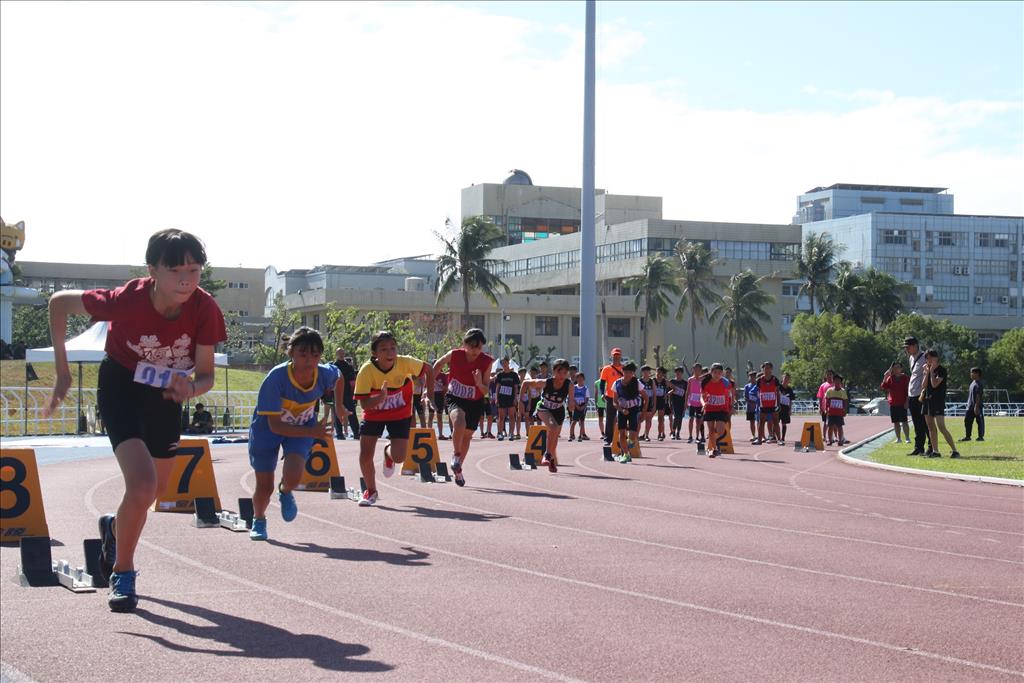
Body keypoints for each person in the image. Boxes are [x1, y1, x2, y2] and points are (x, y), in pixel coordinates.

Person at [44, 229, 226, 612]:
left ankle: (113, 528)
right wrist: (63, 372)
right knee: (142, 487)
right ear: (152, 270)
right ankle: (122, 572)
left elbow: (206, 375)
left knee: (153, 493)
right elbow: (59, 303)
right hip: (122, 386)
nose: (185, 280)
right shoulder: (128, 299)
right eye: (175, 269)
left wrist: (189, 390)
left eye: (194, 270)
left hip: (166, 396)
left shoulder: (205, 309)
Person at [248, 327, 344, 540]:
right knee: (264, 486)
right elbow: (275, 426)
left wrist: (339, 405)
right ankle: (259, 520)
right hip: (268, 428)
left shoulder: (324, 373)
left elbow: (339, 377)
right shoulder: (276, 378)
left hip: (302, 426)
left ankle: (285, 491)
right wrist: (312, 431)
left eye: (315, 355)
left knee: (293, 477)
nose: (309, 360)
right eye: (303, 354)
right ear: (291, 353)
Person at [353, 331, 433, 506]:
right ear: (374, 353)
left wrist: (429, 393)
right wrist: (379, 399)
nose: (390, 353)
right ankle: (370, 491)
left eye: (392, 348)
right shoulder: (366, 371)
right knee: (365, 454)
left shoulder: (404, 362)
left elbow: (428, 368)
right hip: (374, 413)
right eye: (383, 349)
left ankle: (388, 452)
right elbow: (364, 404)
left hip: (399, 412)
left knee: (399, 458)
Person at [433, 328, 493, 487]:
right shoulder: (455, 354)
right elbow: (438, 364)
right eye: (472, 347)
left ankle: (458, 469)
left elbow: (486, 390)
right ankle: (456, 455)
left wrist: (479, 383)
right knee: (459, 422)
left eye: (479, 348)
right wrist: (430, 384)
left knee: (467, 436)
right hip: (455, 397)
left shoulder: (486, 361)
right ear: (464, 344)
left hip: (475, 401)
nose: (475, 351)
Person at [520, 358, 571, 472]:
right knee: (552, 427)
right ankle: (547, 455)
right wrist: (521, 402)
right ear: (553, 372)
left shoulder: (569, 384)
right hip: (543, 408)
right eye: (559, 372)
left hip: (558, 411)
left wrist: (572, 405)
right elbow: (525, 383)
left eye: (564, 373)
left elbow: (571, 401)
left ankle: (551, 459)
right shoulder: (546, 382)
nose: (562, 375)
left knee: (555, 439)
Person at [921, 349, 960, 458]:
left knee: (941, 427)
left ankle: (955, 450)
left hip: (937, 401)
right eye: (926, 358)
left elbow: (934, 384)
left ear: (935, 358)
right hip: (927, 400)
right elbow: (923, 386)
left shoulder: (941, 370)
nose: (927, 360)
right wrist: (927, 373)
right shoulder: (928, 369)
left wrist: (932, 372)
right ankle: (935, 451)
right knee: (930, 427)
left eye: (928, 358)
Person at [611, 362, 647, 463]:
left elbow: (646, 398)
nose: (628, 375)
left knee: (632, 435)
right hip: (622, 410)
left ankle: (629, 442)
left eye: (630, 372)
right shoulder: (617, 383)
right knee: (621, 434)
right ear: (622, 372)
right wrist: (621, 410)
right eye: (626, 372)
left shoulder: (637, 383)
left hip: (634, 410)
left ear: (633, 373)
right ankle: (626, 455)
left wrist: (644, 411)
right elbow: (614, 401)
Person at [905, 337, 933, 456]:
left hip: (921, 395)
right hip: (912, 394)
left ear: (915, 345)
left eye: (908, 346)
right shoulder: (911, 358)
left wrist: (925, 391)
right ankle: (918, 447)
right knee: (916, 423)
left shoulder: (924, 357)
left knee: (925, 423)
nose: (906, 349)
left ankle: (931, 447)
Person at [701, 363, 731, 458]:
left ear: (722, 373)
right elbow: (701, 396)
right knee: (710, 430)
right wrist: (703, 404)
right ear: (711, 372)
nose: (717, 375)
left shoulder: (725, 382)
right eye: (715, 372)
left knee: (720, 431)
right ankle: (713, 450)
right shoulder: (705, 382)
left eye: (719, 373)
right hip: (709, 408)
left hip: (721, 409)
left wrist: (731, 406)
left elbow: (730, 395)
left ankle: (713, 438)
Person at [331, 348, 360, 440]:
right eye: (339, 353)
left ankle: (356, 433)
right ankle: (339, 434)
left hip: (347, 393)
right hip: (336, 393)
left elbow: (353, 379)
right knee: (337, 413)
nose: (341, 355)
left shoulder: (348, 366)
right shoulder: (334, 367)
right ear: (336, 354)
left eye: (342, 353)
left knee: (351, 412)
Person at [880, 361, 911, 444]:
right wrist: (885, 376)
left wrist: (907, 402)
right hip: (893, 403)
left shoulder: (906, 378)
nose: (896, 369)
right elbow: (883, 386)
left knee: (904, 421)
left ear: (901, 368)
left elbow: (908, 390)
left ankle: (907, 438)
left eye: (898, 367)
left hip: (902, 403)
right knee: (896, 422)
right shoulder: (890, 378)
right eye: (894, 367)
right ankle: (898, 438)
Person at [599, 349, 625, 445]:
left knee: (623, 417)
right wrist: (602, 393)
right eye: (615, 356)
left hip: (623, 397)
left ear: (620, 357)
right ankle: (608, 439)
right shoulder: (606, 369)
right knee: (610, 418)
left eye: (618, 356)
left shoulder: (624, 369)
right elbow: (602, 383)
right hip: (610, 397)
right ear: (612, 357)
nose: (616, 358)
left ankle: (622, 438)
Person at [494, 358, 520, 441]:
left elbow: (516, 387)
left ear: (508, 363)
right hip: (502, 398)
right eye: (503, 363)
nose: (504, 364)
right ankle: (500, 433)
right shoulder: (500, 375)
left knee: (512, 416)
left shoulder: (514, 375)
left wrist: (515, 398)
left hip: (511, 398)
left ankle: (511, 433)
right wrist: (496, 398)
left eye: (505, 362)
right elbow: (497, 387)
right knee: (501, 417)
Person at [755, 363, 781, 444]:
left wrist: (778, 404)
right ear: (762, 369)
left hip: (773, 404)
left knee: (775, 421)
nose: (767, 370)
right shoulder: (759, 380)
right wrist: (759, 403)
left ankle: (779, 440)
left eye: (768, 368)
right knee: (761, 421)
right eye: (765, 368)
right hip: (764, 404)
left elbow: (778, 392)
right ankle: (759, 440)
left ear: (771, 369)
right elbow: (758, 392)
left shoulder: (775, 379)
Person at [824, 374, 848, 446]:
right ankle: (830, 440)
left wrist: (845, 410)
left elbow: (845, 401)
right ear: (833, 381)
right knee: (830, 426)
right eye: (835, 381)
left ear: (840, 382)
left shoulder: (843, 391)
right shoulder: (829, 391)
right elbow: (827, 400)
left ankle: (840, 440)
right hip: (831, 412)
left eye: (838, 381)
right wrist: (826, 409)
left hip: (839, 413)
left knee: (839, 426)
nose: (837, 382)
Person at [962, 367, 985, 442]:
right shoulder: (972, 383)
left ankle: (980, 437)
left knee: (979, 422)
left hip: (976, 406)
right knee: (967, 421)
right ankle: (968, 436)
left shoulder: (979, 384)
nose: (971, 374)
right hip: (970, 406)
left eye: (972, 372)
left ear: (977, 374)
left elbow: (978, 395)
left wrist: (976, 406)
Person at [568, 371, 590, 441]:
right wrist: (576, 405)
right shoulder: (574, 387)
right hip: (576, 406)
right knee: (574, 421)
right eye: (578, 378)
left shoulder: (586, 388)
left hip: (583, 406)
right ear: (576, 379)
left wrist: (584, 406)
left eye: (581, 378)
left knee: (582, 422)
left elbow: (587, 398)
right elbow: (572, 397)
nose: (580, 380)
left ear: (584, 379)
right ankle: (571, 435)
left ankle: (580, 436)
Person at [668, 366, 688, 441]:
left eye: (679, 372)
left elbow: (686, 394)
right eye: (677, 372)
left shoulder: (685, 383)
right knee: (676, 417)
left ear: (682, 373)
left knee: (680, 418)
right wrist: (669, 403)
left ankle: (678, 433)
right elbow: (669, 393)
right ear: (675, 373)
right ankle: (673, 432)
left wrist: (686, 403)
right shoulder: (672, 382)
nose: (678, 373)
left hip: (682, 402)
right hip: (674, 402)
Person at [431, 363, 450, 439]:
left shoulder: (443, 376)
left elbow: (445, 388)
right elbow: (426, 387)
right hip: (432, 395)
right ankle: (429, 434)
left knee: (439, 416)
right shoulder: (430, 375)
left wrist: (437, 383)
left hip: (439, 396)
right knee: (430, 416)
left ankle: (440, 434)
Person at [778, 373, 796, 445]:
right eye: (785, 378)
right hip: (778, 407)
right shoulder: (779, 387)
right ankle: (774, 436)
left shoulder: (790, 389)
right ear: (782, 378)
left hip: (785, 408)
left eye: (788, 378)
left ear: (789, 380)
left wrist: (790, 409)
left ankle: (783, 438)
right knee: (775, 422)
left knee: (784, 423)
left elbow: (791, 400)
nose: (786, 380)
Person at [639, 365, 656, 441]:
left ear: (649, 372)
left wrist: (654, 405)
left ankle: (646, 435)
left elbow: (654, 393)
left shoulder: (651, 381)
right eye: (644, 371)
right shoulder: (639, 381)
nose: (646, 373)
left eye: (647, 371)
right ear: (642, 372)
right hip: (640, 403)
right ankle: (636, 435)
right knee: (639, 419)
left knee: (648, 419)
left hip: (649, 402)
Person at [653, 367, 669, 441]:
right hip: (653, 401)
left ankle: (660, 434)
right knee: (648, 417)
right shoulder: (652, 381)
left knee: (661, 419)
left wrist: (667, 394)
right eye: (657, 372)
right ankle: (645, 434)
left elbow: (674, 388)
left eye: (659, 372)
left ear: (662, 374)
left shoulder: (665, 381)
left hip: (661, 401)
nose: (657, 374)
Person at [743, 370, 760, 442]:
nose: (752, 378)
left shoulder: (759, 385)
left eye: (754, 377)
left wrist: (756, 403)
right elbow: (745, 397)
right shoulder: (747, 386)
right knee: (752, 422)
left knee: (759, 422)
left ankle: (760, 435)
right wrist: (750, 402)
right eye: (751, 376)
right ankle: (753, 435)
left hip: (758, 408)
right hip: (750, 408)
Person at [594, 375, 607, 440]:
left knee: (610, 418)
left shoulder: (608, 381)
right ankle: (602, 433)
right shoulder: (596, 382)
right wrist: (596, 403)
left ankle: (608, 433)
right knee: (600, 419)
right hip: (600, 403)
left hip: (608, 402)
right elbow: (596, 393)